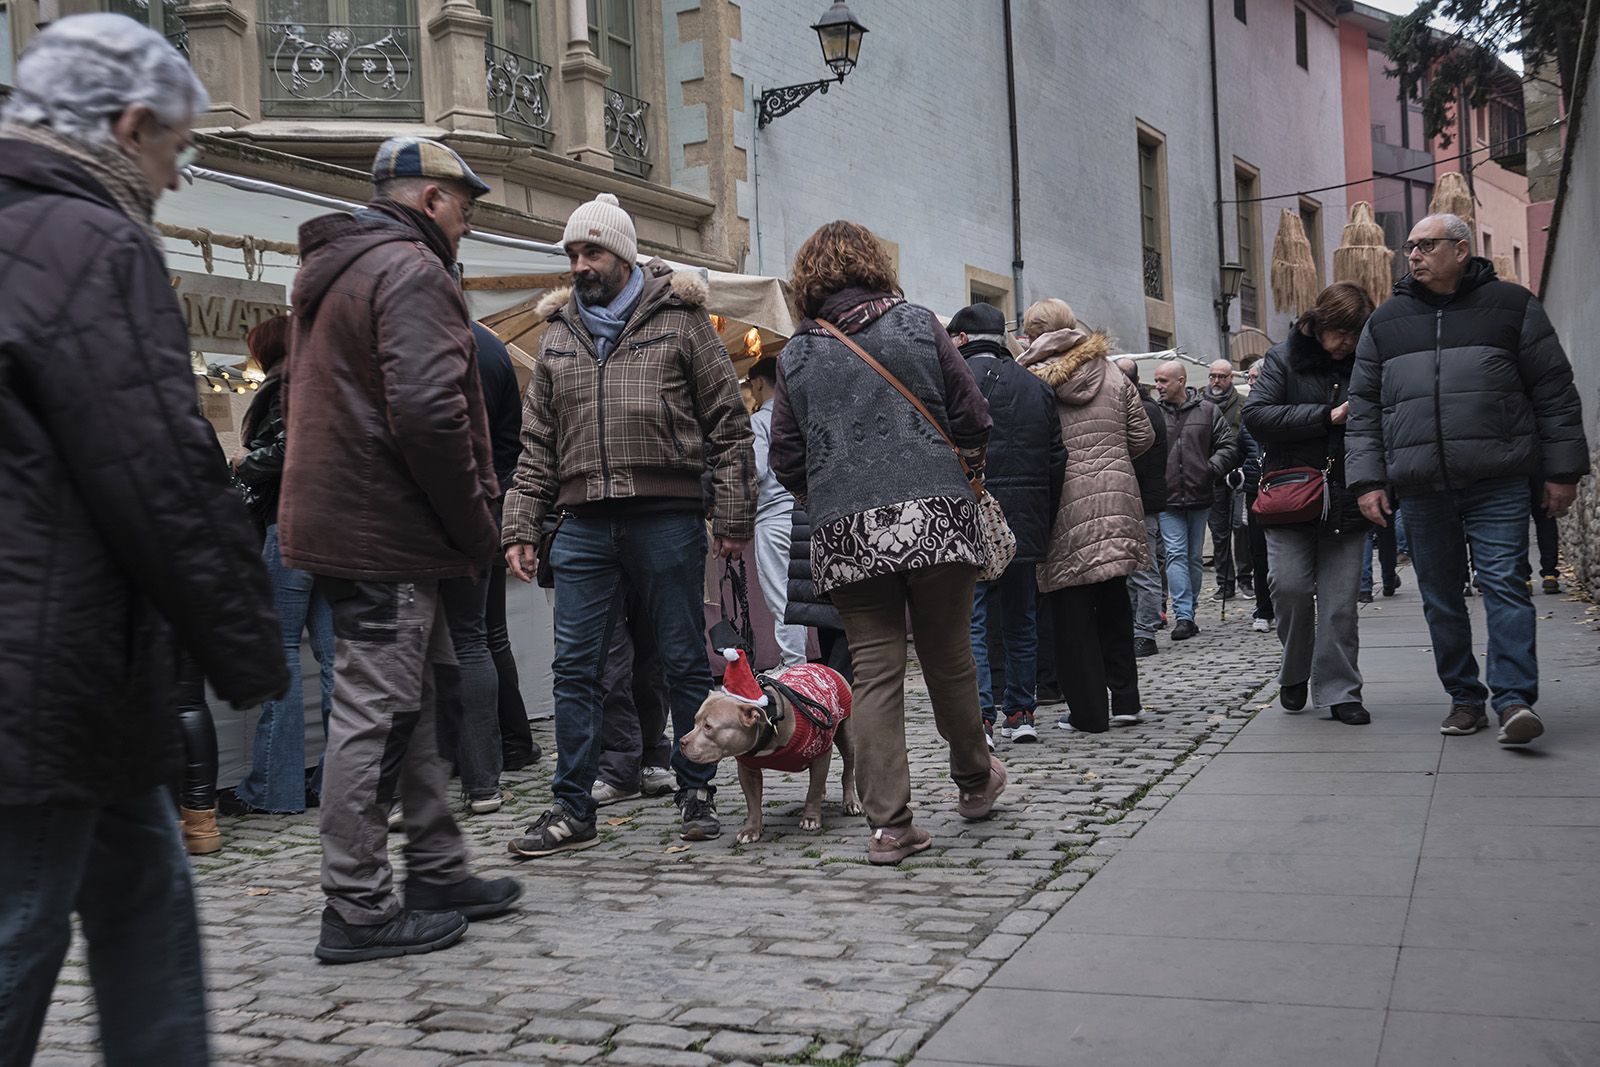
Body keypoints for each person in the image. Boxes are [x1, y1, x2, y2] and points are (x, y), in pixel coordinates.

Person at [0, 15, 288, 1061]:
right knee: (20, 928)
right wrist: (249, 646)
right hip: (44, 672)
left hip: (84, 679)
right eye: (175, 150)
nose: (176, 178)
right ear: (126, 127)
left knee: (148, 911)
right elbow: (160, 469)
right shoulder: (91, 242)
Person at [282, 136, 522, 962]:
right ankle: (356, 905)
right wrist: (474, 527)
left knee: (412, 704)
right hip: (390, 530)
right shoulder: (412, 271)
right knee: (378, 714)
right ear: (429, 201)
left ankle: (437, 868)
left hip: (368, 525)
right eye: (466, 206)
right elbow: (428, 415)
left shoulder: (345, 268)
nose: (469, 223)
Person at [502, 193, 755, 851]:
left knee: (679, 658)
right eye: (573, 253)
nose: (580, 264)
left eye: (591, 251)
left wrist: (731, 512)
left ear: (622, 253)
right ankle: (570, 809)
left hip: (665, 515)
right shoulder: (560, 335)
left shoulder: (681, 321)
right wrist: (521, 524)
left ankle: (695, 790)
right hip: (583, 523)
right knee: (576, 667)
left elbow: (728, 424)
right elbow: (536, 445)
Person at [768, 220, 1005, 865]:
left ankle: (890, 827)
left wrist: (830, 493)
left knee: (874, 670)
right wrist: (962, 467)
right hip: (936, 511)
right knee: (949, 657)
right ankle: (976, 785)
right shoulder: (920, 324)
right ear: (874, 266)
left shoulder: (797, 356)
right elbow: (973, 416)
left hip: (846, 529)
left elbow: (787, 456)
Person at [1347, 213, 1589, 745]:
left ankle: (1513, 700)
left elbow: (1553, 391)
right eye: (1408, 247)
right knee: (1439, 595)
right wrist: (1367, 481)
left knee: (1504, 582)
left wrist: (1563, 471)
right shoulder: (1386, 321)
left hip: (1498, 477)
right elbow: (1363, 408)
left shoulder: (1512, 306)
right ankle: (1464, 698)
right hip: (1420, 484)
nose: (1412, 255)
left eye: (1425, 245)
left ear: (1460, 249)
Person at [1245, 283, 1376, 726]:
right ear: (1318, 325)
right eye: (1341, 333)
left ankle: (1341, 691)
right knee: (1290, 589)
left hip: (1348, 495)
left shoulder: (1367, 362)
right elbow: (1257, 417)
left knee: (1340, 603)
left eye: (1355, 335)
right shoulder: (1284, 359)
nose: (1348, 343)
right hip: (1290, 498)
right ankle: (1295, 670)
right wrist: (1326, 416)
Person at [1020, 302, 1154, 731]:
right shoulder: (1113, 372)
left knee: (1071, 611)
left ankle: (1088, 712)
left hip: (1062, 504)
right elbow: (1143, 436)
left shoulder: (1031, 380)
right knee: (1115, 599)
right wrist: (1111, 462)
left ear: (1033, 333)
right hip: (1117, 498)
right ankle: (1128, 701)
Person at [226, 314, 337, 816]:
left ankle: (275, 787)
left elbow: (288, 448)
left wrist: (244, 463)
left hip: (289, 525)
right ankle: (338, 783)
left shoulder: (284, 385)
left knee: (282, 654)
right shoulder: (325, 383)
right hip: (329, 528)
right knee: (337, 661)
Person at [950, 302, 1066, 745]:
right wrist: (1045, 515)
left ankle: (981, 717)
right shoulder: (1036, 386)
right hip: (1026, 516)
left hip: (971, 515)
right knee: (1022, 618)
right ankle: (1022, 713)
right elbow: (1057, 458)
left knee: (974, 620)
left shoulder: (953, 382)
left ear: (961, 339)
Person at [434, 322, 532, 815]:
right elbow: (514, 444)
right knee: (486, 637)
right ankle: (500, 760)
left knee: (460, 643)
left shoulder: (433, 340)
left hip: (449, 511)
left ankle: (473, 774)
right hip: (490, 505)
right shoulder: (493, 346)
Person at [1153, 361, 1240, 640]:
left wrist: (1210, 469)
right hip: (1167, 497)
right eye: (1156, 381)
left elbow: (1228, 445)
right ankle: (1184, 616)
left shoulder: (1208, 411)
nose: (1158, 387)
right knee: (1176, 554)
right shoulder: (1154, 413)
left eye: (1164, 381)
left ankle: (1189, 609)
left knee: (1192, 557)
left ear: (1181, 381)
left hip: (1200, 493)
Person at [746, 355, 809, 666]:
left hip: (772, 516)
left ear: (759, 383)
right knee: (802, 595)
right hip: (804, 514)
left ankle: (794, 664)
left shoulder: (758, 422)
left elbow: (755, 470)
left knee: (781, 597)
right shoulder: (798, 418)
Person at [1117, 357, 1169, 658]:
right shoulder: (1142, 408)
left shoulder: (1145, 411)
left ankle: (1145, 631)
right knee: (1133, 567)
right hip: (1135, 498)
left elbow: (1140, 458)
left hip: (1142, 500)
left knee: (1142, 568)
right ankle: (1137, 626)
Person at [1204, 359, 1250, 600]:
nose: (1216, 381)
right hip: (1213, 476)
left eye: (1221, 376)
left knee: (1241, 527)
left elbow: (1248, 439)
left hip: (1239, 475)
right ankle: (1225, 583)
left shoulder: (1243, 404)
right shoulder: (1201, 406)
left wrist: (1243, 467)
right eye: (1213, 376)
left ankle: (1245, 578)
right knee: (1219, 532)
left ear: (1231, 378)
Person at [1240, 361, 1275, 633]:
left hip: (1282, 488)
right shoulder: (1246, 413)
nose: (1250, 383)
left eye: (1255, 378)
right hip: (1254, 490)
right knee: (1258, 552)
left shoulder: (1278, 404)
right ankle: (1264, 608)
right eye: (1248, 377)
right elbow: (1240, 448)